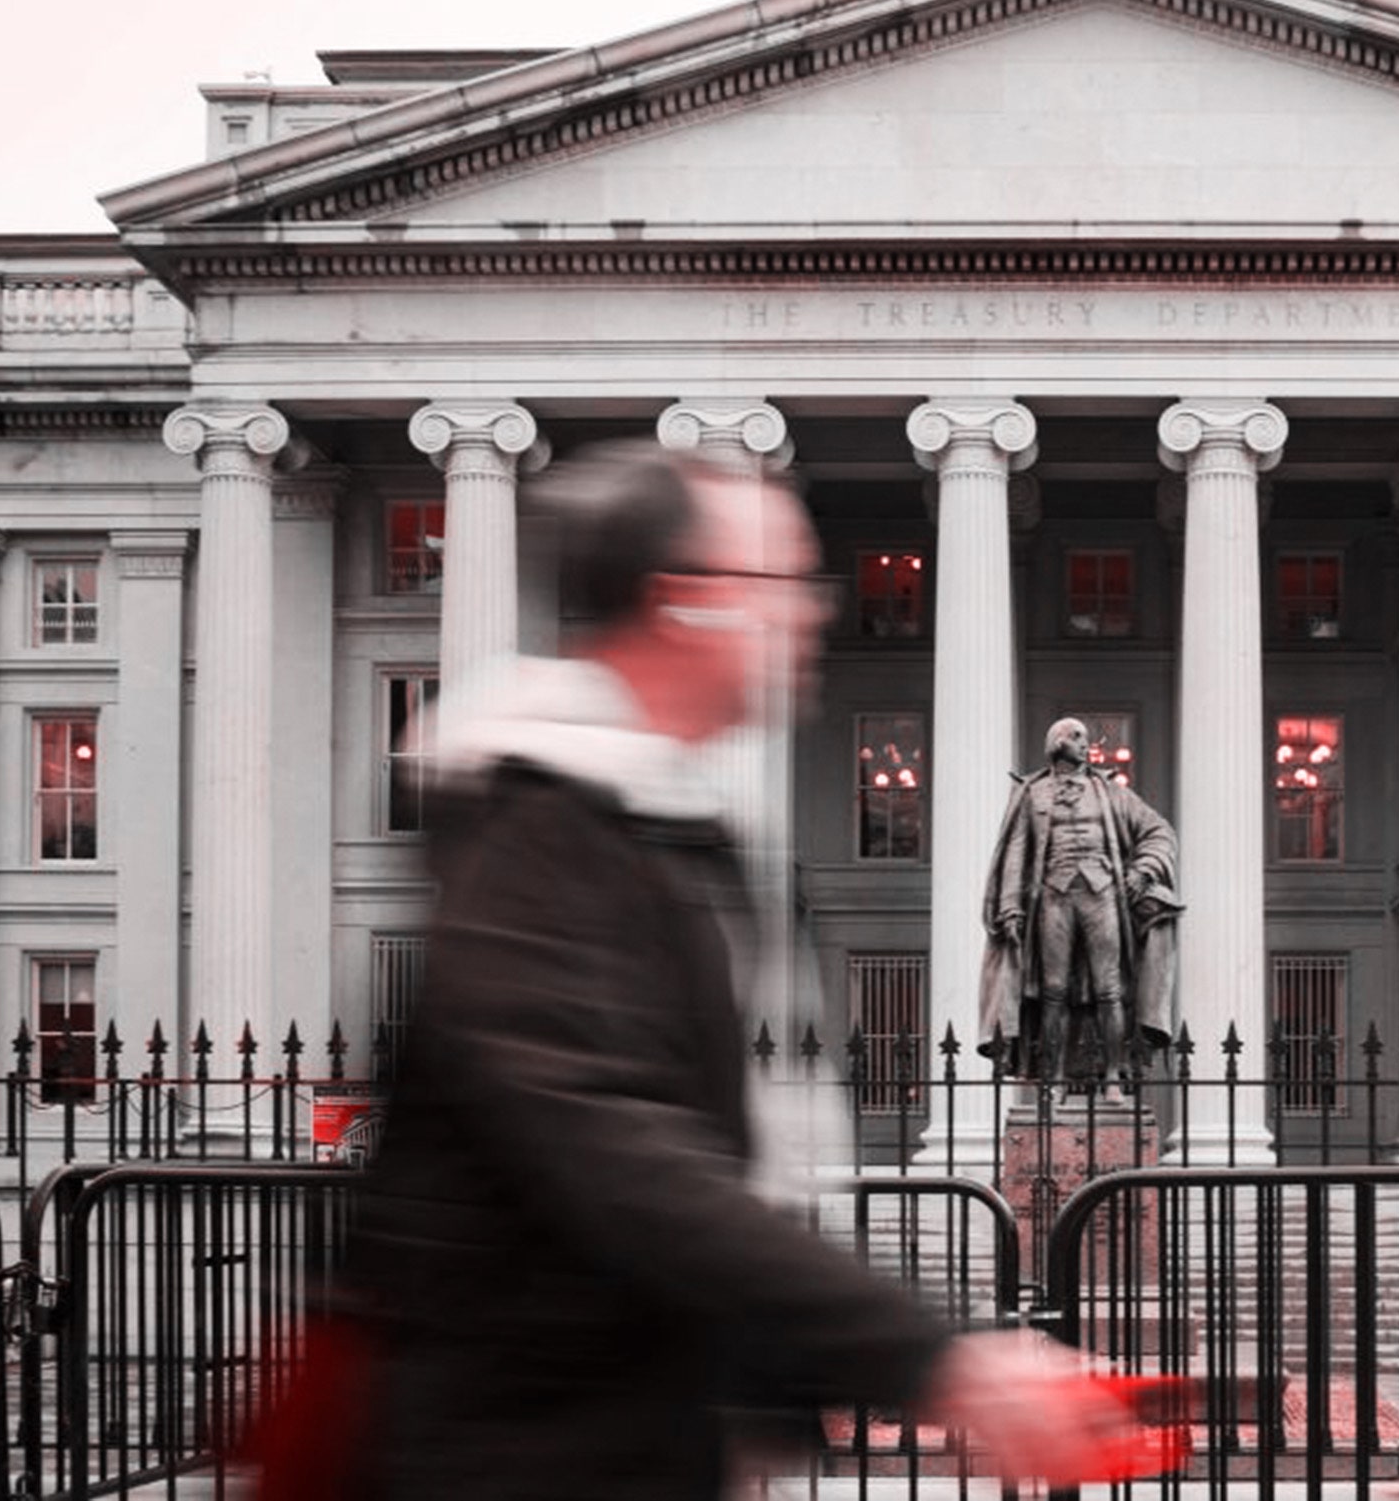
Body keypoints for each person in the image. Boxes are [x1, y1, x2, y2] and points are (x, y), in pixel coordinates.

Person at [342, 443, 1141, 1501]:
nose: (815, 610)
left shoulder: (672, 825)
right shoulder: (540, 829)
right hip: (514, 1457)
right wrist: (938, 1360)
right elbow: (619, 1157)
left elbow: (724, 1164)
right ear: (688, 604)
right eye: (782, 583)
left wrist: (765, 1414)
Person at [980, 717, 1181, 1094]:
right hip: (1053, 896)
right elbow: (1016, 851)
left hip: (1103, 893)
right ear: (1056, 742)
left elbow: (1159, 830)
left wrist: (1143, 870)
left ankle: (1113, 1078)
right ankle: (1052, 1080)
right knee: (1053, 991)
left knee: (1110, 989)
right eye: (1076, 737)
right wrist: (1009, 905)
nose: (1085, 744)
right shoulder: (1031, 794)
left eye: (1086, 738)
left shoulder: (1109, 792)